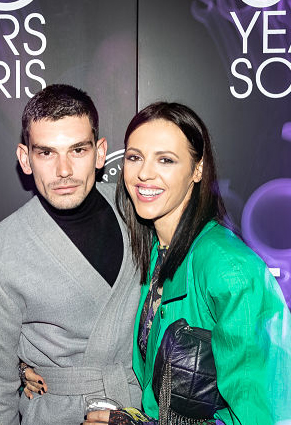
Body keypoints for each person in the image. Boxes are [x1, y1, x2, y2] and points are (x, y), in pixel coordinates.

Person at [85, 102, 291, 425]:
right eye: (135, 157)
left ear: (198, 169)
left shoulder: (229, 269)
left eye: (165, 160)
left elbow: (263, 416)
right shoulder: (155, 250)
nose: (144, 173)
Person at [0, 84, 142, 425]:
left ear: (100, 153)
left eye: (77, 150)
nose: (63, 170)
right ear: (25, 159)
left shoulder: (139, 211)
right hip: (57, 414)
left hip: (143, 407)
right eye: (47, 153)